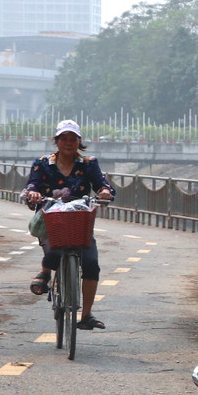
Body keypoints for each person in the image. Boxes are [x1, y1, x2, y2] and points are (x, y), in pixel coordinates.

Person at [21, 119, 116, 330]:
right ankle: (46, 273)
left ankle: (87, 314)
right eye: (64, 138)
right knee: (53, 254)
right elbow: (32, 185)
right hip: (51, 222)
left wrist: (104, 192)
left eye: (73, 139)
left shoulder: (88, 164)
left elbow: (102, 184)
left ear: (79, 142)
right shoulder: (42, 163)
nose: (68, 143)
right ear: (56, 141)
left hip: (78, 222)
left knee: (91, 264)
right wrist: (33, 193)